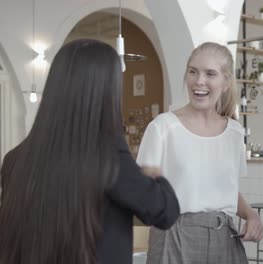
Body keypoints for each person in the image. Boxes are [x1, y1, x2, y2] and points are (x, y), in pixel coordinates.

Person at [0, 39, 180, 264]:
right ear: (107, 93)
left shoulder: (15, 161)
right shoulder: (110, 160)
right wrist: (156, 177)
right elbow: (165, 211)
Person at [137, 42, 263, 264]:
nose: (199, 81)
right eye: (193, 71)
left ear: (225, 83)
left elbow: (228, 190)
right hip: (173, 237)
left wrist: (252, 216)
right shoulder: (163, 127)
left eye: (210, 74)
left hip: (224, 238)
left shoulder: (235, 132)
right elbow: (142, 191)